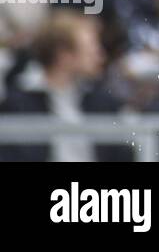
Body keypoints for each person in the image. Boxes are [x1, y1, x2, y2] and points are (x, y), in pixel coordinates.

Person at [0, 13, 132, 162]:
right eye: (91, 48)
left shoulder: (103, 102)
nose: (100, 55)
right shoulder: (18, 104)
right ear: (64, 55)